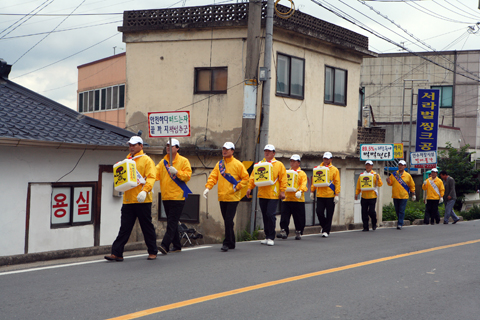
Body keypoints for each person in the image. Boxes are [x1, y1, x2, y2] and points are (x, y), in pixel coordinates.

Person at [105, 136, 158, 261]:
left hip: (142, 199)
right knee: (124, 227)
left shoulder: (146, 160)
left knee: (146, 227)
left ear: (141, 146)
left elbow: (151, 177)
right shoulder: (126, 160)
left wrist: (145, 191)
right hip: (128, 200)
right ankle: (117, 253)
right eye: (130, 145)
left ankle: (152, 251)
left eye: (134, 145)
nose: (132, 147)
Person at [203, 142, 249, 252]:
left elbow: (246, 178)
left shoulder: (238, 164)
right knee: (227, 220)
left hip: (233, 197)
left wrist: (237, 187)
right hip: (222, 196)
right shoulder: (219, 164)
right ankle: (232, 242)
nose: (225, 151)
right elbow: (213, 177)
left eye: (227, 149)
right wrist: (208, 188)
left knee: (228, 220)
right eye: (223, 148)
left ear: (232, 151)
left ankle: (226, 243)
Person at [156, 138, 192, 254]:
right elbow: (155, 174)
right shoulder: (163, 162)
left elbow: (187, 176)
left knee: (171, 222)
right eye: (167, 145)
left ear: (177, 148)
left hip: (178, 197)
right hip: (166, 197)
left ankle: (164, 245)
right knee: (173, 221)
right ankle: (177, 245)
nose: (168, 147)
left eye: (171, 146)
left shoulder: (184, 161)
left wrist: (177, 172)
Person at [246, 144, 287, 246]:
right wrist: (249, 188)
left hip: (273, 194)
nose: (267, 153)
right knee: (265, 215)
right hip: (262, 193)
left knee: (270, 214)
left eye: (269, 151)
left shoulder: (279, 164)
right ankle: (267, 235)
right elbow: (253, 177)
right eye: (265, 151)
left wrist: (282, 191)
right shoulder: (260, 164)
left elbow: (283, 179)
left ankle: (271, 236)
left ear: (274, 153)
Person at [277, 154, 308, 240]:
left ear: (299, 163)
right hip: (287, 198)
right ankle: (283, 231)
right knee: (284, 216)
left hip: (298, 199)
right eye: (291, 161)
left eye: (294, 161)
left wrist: (300, 190)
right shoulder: (286, 173)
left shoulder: (302, 174)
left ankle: (299, 231)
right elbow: (282, 182)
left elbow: (304, 184)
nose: (292, 163)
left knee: (299, 217)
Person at [310, 152, 341, 238]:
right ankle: (324, 226)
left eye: (328, 159)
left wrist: (337, 194)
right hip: (320, 195)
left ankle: (326, 230)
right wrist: (312, 191)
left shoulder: (335, 170)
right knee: (319, 212)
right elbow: (315, 180)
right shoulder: (318, 168)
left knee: (329, 214)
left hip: (330, 195)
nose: (326, 160)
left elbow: (337, 182)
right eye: (325, 158)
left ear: (331, 159)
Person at [386, 160, 416, 230]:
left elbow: (412, 185)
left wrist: (413, 193)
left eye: (402, 165)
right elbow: (390, 183)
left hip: (404, 196)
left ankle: (400, 223)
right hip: (395, 195)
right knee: (397, 210)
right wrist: (388, 181)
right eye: (399, 165)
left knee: (401, 210)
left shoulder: (408, 175)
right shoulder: (394, 174)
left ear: (405, 166)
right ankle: (400, 220)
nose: (400, 166)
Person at [355, 160, 383, 231]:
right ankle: (365, 227)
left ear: (372, 166)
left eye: (369, 165)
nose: (368, 166)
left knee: (371, 211)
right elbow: (358, 185)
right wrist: (356, 193)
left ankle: (374, 222)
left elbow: (380, 184)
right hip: (364, 196)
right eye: (367, 165)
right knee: (364, 212)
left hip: (372, 196)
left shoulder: (375, 175)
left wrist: (378, 179)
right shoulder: (361, 175)